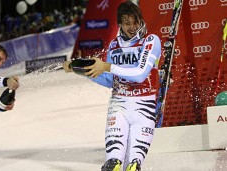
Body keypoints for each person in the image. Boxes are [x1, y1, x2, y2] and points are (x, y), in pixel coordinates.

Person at [63, 1, 161, 171]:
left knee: (133, 165)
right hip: (119, 105)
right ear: (120, 24)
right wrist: (82, 69)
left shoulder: (151, 40)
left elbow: (140, 74)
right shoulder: (114, 45)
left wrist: (107, 66)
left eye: (136, 21)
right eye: (127, 23)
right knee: (112, 163)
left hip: (143, 105)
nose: (133, 27)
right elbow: (110, 80)